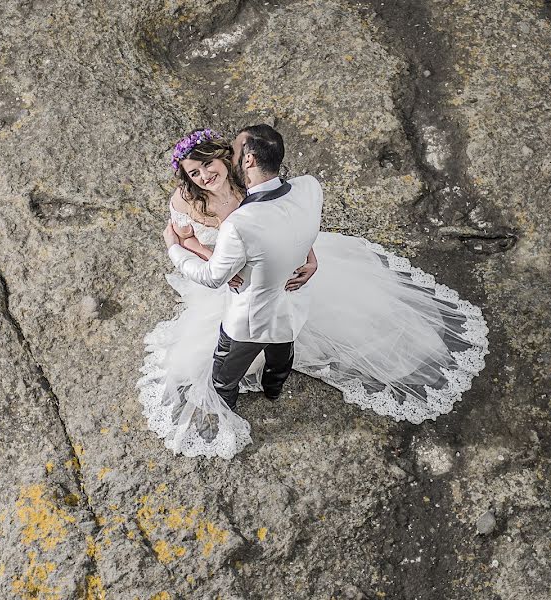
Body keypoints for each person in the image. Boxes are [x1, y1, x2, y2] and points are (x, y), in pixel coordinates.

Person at [138, 126, 489, 459]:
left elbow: (290, 225)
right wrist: (213, 258)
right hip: (232, 277)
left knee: (265, 333)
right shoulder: (187, 200)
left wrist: (309, 253)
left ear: (225, 158)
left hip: (267, 276)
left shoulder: (250, 186)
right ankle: (258, 377)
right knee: (230, 344)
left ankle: (251, 380)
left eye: (207, 165)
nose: (203, 177)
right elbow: (187, 239)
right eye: (194, 174)